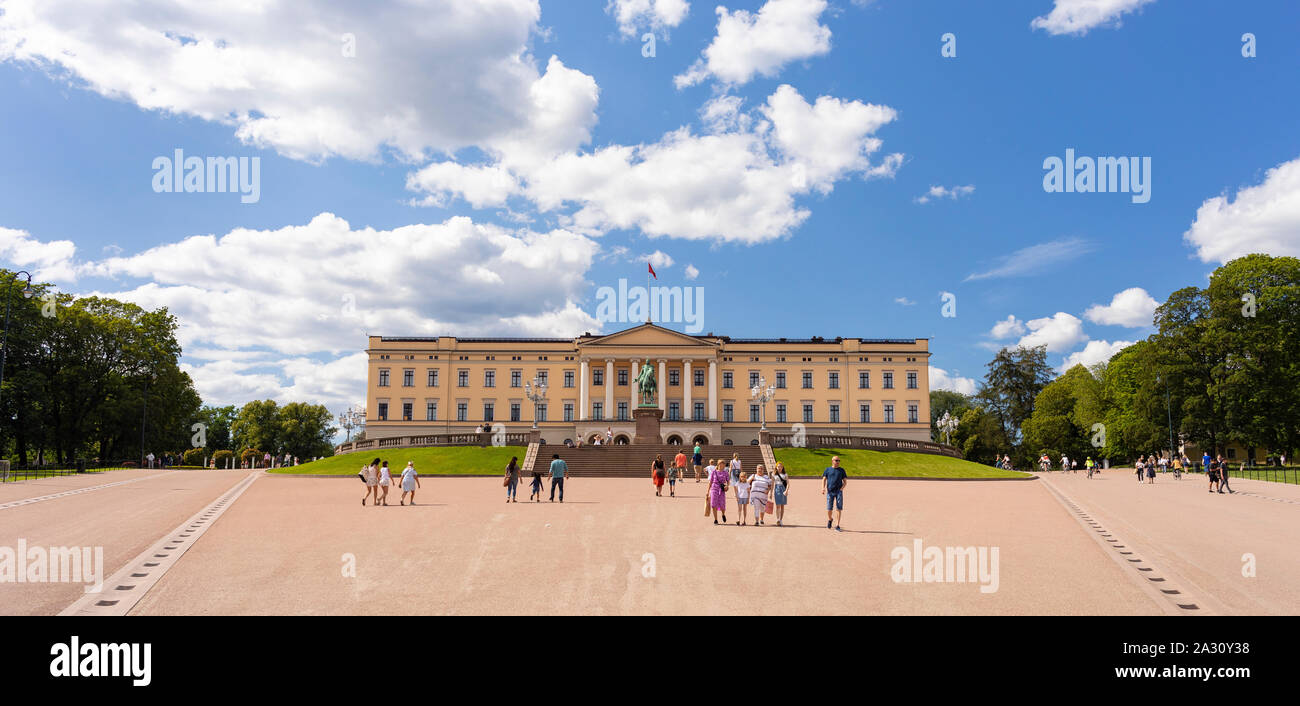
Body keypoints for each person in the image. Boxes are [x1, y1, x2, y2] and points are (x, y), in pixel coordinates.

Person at [822, 456, 847, 531]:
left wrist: (841, 489)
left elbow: (845, 482)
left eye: (839, 460)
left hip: (838, 492)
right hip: (830, 492)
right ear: (832, 461)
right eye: (836, 460)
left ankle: (837, 525)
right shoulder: (828, 469)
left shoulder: (841, 470)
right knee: (829, 509)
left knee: (839, 508)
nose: (838, 462)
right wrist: (823, 488)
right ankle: (830, 519)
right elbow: (824, 479)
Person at [706, 459, 728, 525]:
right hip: (714, 489)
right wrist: (707, 491)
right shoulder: (714, 472)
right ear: (718, 465)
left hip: (721, 490)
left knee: (722, 505)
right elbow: (710, 482)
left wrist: (727, 485)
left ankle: (723, 514)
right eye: (721, 464)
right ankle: (716, 519)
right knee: (713, 504)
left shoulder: (725, 473)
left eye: (723, 465)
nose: (722, 466)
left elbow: (728, 481)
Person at [772, 461, 790, 526]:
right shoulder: (774, 474)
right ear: (776, 467)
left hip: (783, 490)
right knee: (777, 505)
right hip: (777, 489)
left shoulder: (785, 474)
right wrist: (770, 493)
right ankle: (777, 519)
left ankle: (781, 519)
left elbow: (788, 484)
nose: (779, 468)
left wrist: (786, 491)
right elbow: (772, 484)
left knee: (782, 506)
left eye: (781, 467)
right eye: (778, 466)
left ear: (783, 467)